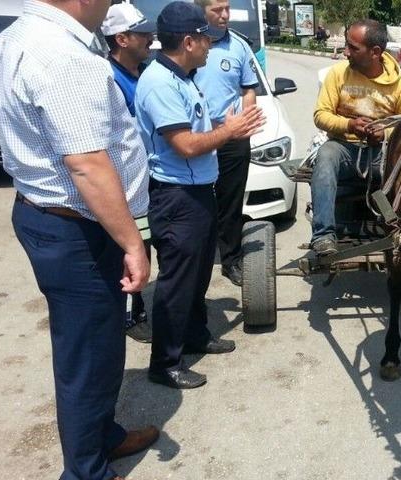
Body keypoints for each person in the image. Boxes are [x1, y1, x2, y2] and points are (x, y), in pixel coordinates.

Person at [0, 0, 159, 478]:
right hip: (78, 227)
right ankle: (86, 472)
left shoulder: (17, 36)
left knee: (100, 343)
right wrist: (132, 243)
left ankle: (102, 436)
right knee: (86, 354)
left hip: (54, 218)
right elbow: (86, 163)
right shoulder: (63, 56)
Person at [135, 1, 264, 390]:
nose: (211, 44)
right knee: (176, 281)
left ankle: (194, 335)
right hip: (177, 197)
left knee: (196, 274)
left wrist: (225, 125)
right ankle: (165, 362)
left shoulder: (183, 77)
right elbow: (187, 145)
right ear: (188, 41)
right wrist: (232, 130)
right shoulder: (159, 83)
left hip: (196, 191)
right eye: (205, 39)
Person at [310, 19, 401, 256]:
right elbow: (320, 115)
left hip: (384, 155)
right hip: (344, 148)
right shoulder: (338, 74)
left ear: (375, 52)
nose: (346, 52)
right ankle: (323, 236)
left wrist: (385, 133)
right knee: (326, 155)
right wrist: (349, 125)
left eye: (353, 48)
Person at [193, 0, 261, 287]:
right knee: (195, 202)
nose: (224, 15)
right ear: (201, 12)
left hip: (231, 136)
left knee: (230, 201)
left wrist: (244, 120)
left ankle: (231, 259)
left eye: (226, 9)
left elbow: (248, 89)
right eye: (216, 10)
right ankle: (196, 259)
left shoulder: (239, 47)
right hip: (194, 137)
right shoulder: (188, 45)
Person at [102, 2, 157, 343]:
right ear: (121, 39)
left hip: (152, 178)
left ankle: (139, 306)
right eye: (142, 34)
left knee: (148, 242)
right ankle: (130, 314)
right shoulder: (108, 78)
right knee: (132, 246)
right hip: (124, 182)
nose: (150, 38)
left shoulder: (146, 71)